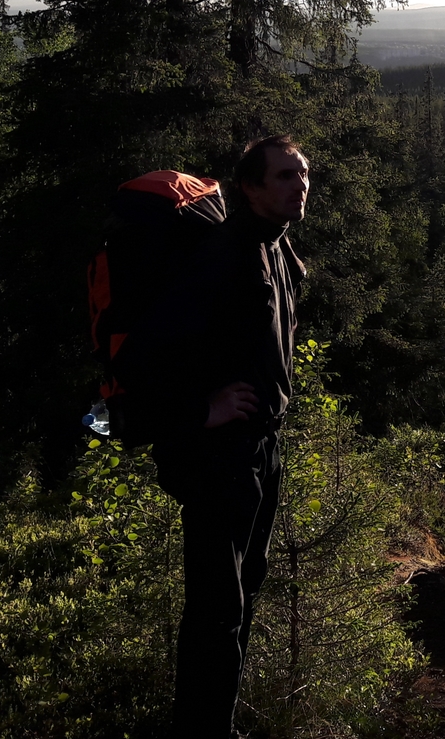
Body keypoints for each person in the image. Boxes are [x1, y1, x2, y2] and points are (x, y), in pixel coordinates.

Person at [126, 134, 310, 739]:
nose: (298, 185)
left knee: (241, 594)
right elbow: (144, 360)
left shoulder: (278, 251)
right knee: (217, 610)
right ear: (250, 187)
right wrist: (199, 411)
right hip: (217, 459)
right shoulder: (218, 254)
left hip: (262, 451)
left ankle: (214, 723)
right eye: (283, 176)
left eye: (302, 174)